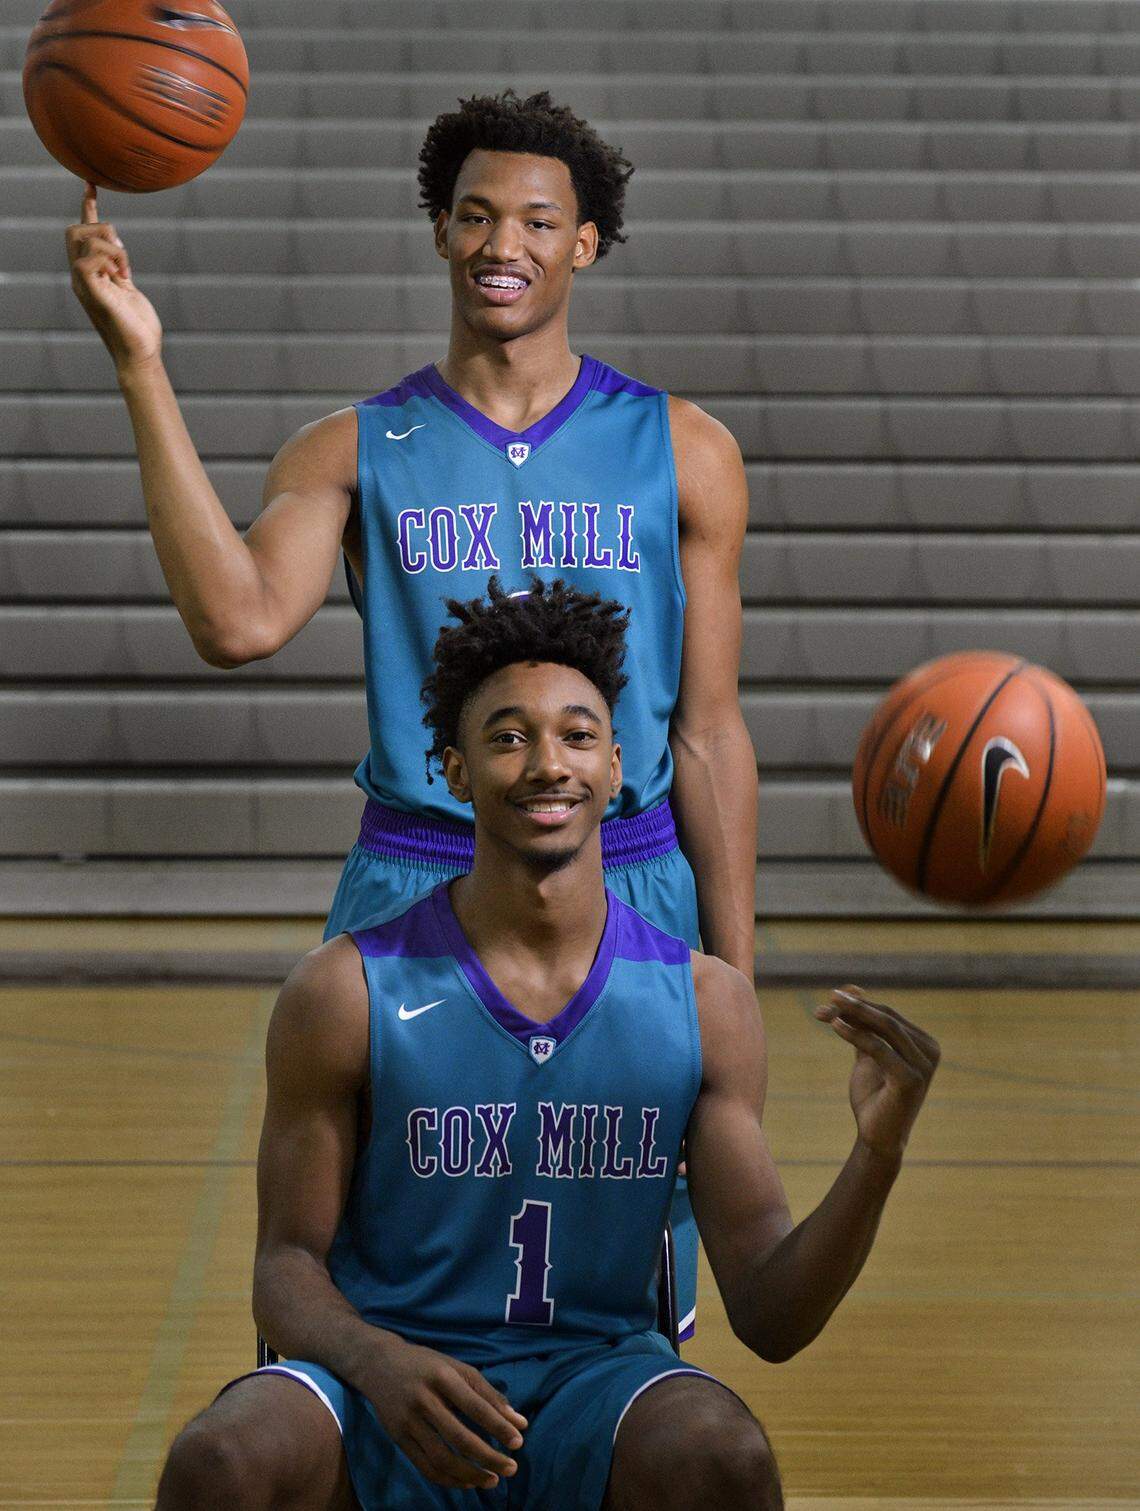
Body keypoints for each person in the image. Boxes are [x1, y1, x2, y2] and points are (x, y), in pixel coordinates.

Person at [65, 89, 758, 1337]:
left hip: (625, 889)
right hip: (416, 883)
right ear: (439, 231)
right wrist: (139, 362)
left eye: (539, 222)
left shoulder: (683, 447)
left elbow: (708, 730)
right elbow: (235, 620)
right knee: (361, 1275)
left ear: (585, 244)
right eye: (477, 216)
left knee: (618, 1303)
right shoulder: (352, 446)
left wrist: (737, 973)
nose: (505, 244)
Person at [154, 580, 939, 1511]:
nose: (546, 764)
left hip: (591, 1386)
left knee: (724, 1458)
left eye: (575, 734)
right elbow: (284, 1268)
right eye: (508, 735)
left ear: (618, 764)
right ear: (452, 769)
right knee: (218, 1462)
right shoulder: (345, 989)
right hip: (386, 1377)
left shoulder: (703, 1001)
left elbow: (771, 1314)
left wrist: (876, 1157)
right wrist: (381, 1363)